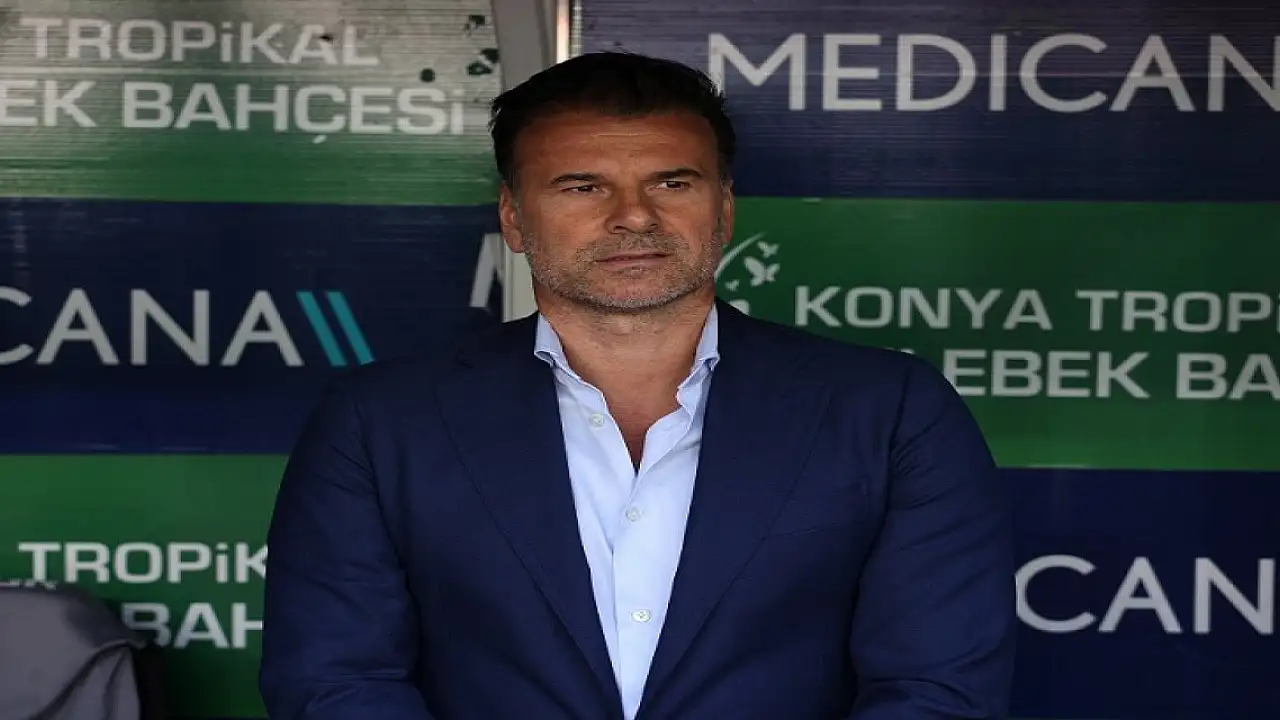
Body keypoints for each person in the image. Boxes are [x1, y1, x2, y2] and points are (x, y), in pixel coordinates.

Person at [258, 51, 1015, 720]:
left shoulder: (889, 411)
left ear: (724, 209)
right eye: (583, 186)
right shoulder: (380, 421)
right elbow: (335, 681)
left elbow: (938, 688)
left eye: (672, 182)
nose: (633, 217)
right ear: (513, 218)